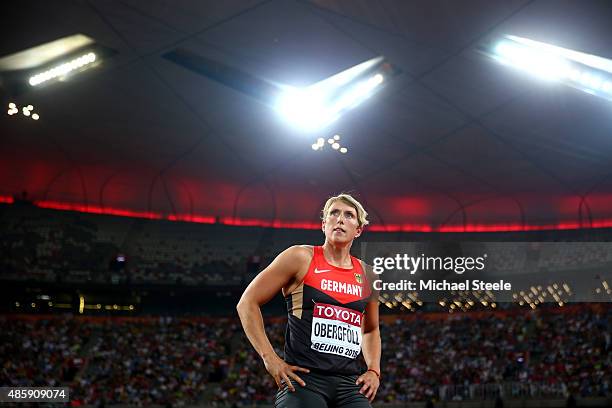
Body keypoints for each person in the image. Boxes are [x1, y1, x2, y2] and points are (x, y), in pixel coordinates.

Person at [237, 193, 380, 407]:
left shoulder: (369, 274)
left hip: (350, 383)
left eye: (349, 215)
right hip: (305, 380)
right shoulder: (299, 257)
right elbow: (247, 302)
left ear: (358, 230)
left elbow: (370, 329)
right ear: (324, 224)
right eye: (334, 213)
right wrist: (270, 359)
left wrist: (374, 370)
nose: (340, 219)